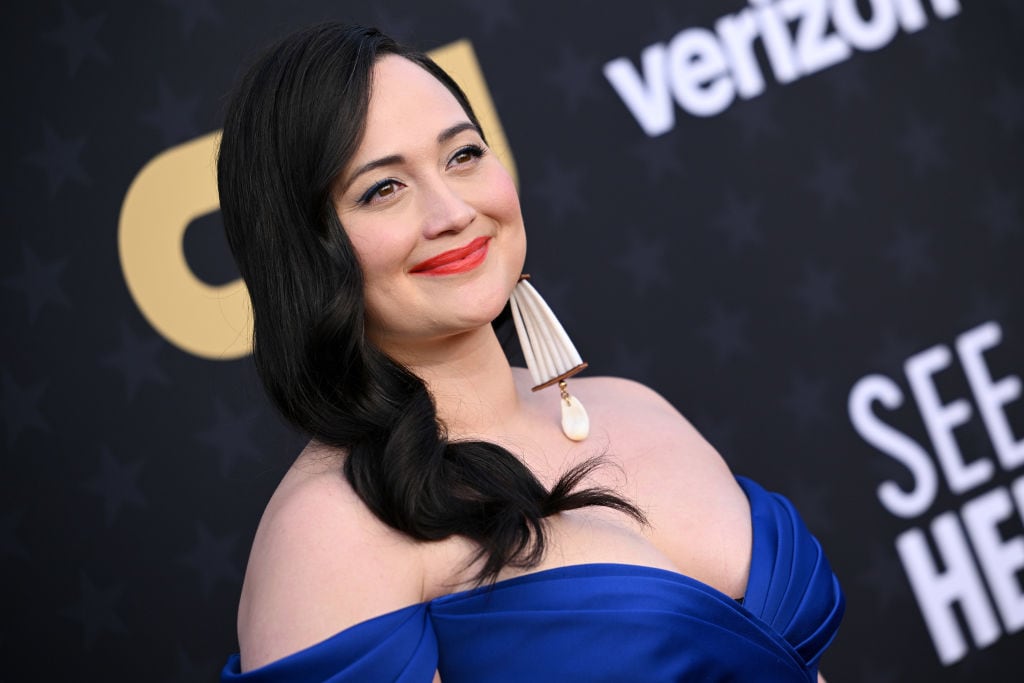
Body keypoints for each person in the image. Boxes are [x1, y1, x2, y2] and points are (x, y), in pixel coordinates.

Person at [216, 22, 844, 682]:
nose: (452, 210)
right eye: (383, 188)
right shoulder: (330, 531)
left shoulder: (632, 404)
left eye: (462, 155)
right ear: (305, 253)